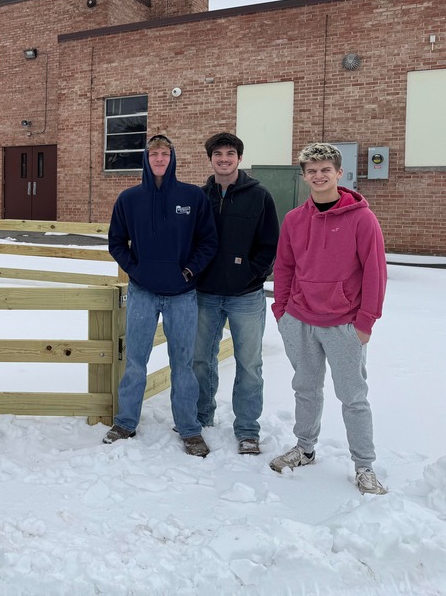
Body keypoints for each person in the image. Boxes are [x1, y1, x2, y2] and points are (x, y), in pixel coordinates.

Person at [269, 143, 388, 495]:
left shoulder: (361, 218)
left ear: (339, 173)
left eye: (326, 170)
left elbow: (375, 272)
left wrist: (365, 321)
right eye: (312, 171)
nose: (319, 176)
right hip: (300, 320)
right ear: (304, 176)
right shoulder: (294, 220)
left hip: (344, 323)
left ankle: (364, 465)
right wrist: (283, 312)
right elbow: (285, 266)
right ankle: (304, 449)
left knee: (353, 396)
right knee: (305, 389)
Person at [104, 134, 218, 456]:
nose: (159, 159)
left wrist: (188, 271)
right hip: (142, 292)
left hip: (182, 294)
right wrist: (136, 270)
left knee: (183, 363)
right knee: (135, 361)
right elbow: (116, 242)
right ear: (146, 158)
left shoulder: (192, 197)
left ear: (172, 157)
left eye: (165, 153)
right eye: (154, 153)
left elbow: (208, 242)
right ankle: (125, 422)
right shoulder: (129, 199)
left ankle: (190, 429)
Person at [193, 133, 279, 455]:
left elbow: (270, 246)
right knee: (200, 360)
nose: (224, 159)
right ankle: (202, 416)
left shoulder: (259, 196)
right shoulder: (200, 197)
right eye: (218, 154)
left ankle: (247, 430)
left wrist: (249, 273)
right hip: (206, 294)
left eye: (231, 153)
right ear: (210, 158)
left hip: (246, 296)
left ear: (239, 159)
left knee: (249, 364)